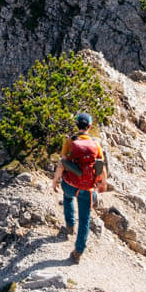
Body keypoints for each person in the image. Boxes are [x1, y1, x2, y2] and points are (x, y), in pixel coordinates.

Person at [54, 111, 107, 263]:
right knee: (85, 219)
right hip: (87, 188)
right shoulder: (96, 144)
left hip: (70, 184)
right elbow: (101, 166)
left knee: (68, 197)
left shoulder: (69, 142)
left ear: (77, 125)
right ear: (90, 126)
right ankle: (78, 252)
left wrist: (55, 180)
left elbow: (62, 163)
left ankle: (70, 226)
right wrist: (103, 183)